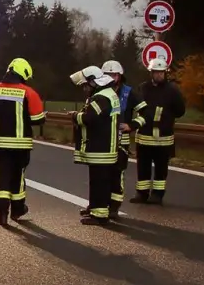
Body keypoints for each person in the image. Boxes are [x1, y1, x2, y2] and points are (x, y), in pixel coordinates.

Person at [0, 57, 47, 226]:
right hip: (20, 145)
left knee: (2, 176)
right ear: (23, 74)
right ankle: (17, 210)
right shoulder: (29, 93)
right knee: (18, 177)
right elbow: (38, 119)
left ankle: (2, 213)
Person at [127, 53, 186, 204]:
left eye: (161, 72)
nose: (158, 75)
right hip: (144, 136)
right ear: (151, 73)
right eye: (156, 72)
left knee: (161, 168)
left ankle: (158, 194)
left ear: (165, 73)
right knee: (143, 166)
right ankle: (142, 193)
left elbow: (180, 110)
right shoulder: (143, 88)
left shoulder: (172, 90)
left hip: (163, 137)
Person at [73, 66, 122, 225]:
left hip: (101, 146)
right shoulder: (107, 94)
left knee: (100, 181)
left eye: (86, 85)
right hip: (105, 145)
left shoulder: (101, 97)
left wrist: (75, 116)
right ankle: (94, 207)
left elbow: (89, 119)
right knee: (97, 179)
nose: (84, 88)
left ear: (93, 82)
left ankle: (99, 215)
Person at [102, 60, 131, 219]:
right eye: (107, 75)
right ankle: (99, 203)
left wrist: (131, 125)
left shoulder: (128, 93)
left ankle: (114, 206)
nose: (111, 78)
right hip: (104, 139)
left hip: (121, 141)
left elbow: (145, 112)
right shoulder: (99, 91)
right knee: (101, 174)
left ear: (119, 76)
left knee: (116, 173)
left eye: (114, 75)